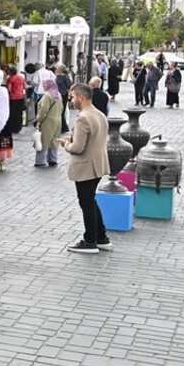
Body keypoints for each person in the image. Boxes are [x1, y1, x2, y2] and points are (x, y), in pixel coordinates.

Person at [62, 84, 113, 254]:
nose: (71, 100)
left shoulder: (83, 118)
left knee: (86, 203)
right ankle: (101, 237)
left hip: (86, 166)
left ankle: (90, 241)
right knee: (90, 201)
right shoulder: (99, 114)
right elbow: (92, 138)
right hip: (98, 164)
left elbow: (77, 148)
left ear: (81, 98)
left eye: (72, 97)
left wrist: (67, 144)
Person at [34, 78, 64, 167]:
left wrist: (39, 120)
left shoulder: (47, 96)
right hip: (58, 120)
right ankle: (53, 159)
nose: (43, 86)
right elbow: (62, 108)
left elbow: (43, 110)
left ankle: (40, 161)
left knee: (43, 140)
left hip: (48, 121)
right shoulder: (58, 94)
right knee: (54, 140)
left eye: (45, 84)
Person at [6, 64, 27, 135]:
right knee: (19, 113)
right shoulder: (21, 77)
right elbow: (25, 87)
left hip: (13, 98)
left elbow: (9, 88)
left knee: (12, 113)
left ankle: (11, 127)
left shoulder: (10, 79)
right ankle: (18, 127)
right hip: (21, 97)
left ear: (10, 72)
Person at [55, 66, 73, 134]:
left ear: (60, 70)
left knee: (61, 111)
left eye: (57, 68)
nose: (56, 69)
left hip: (63, 95)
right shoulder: (57, 76)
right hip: (58, 94)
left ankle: (63, 127)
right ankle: (60, 127)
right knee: (58, 111)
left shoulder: (65, 77)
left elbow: (70, 85)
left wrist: (69, 93)